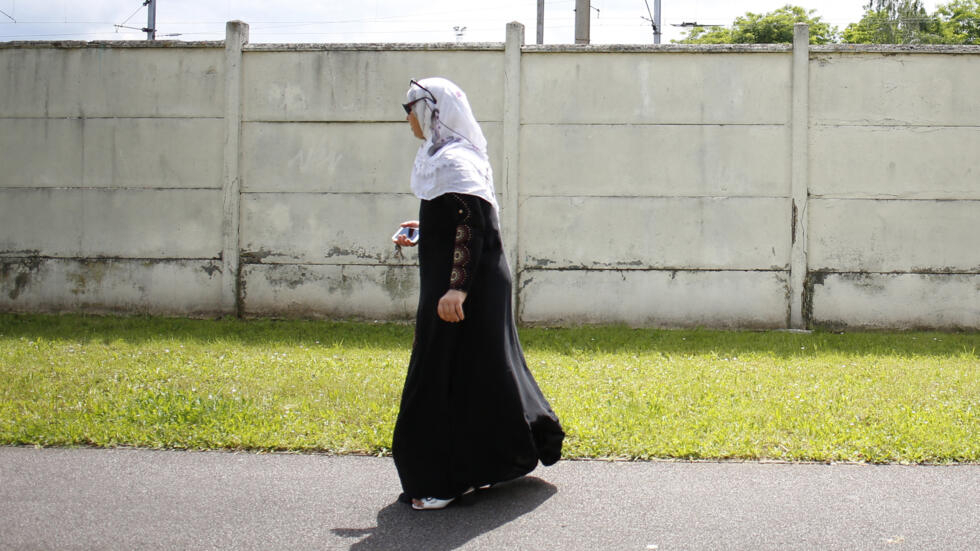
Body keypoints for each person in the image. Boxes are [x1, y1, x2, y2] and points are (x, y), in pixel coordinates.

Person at [391, 77, 564, 511]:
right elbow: (456, 219)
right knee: (477, 373)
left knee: (442, 374)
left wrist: (456, 288)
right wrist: (423, 230)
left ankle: (442, 480)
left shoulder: (454, 159)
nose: (407, 118)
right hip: (468, 284)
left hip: (466, 289)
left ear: (431, 110)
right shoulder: (446, 157)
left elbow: (473, 225)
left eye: (409, 108)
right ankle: (480, 465)